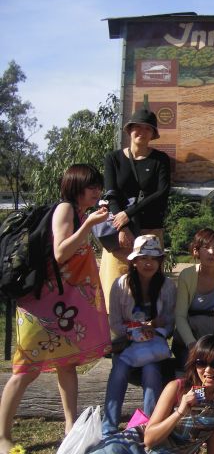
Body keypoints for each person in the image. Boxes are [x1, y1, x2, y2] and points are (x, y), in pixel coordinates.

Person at [0, 164, 111, 453]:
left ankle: (70, 429)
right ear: (76, 187)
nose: (97, 191)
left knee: (67, 363)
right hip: (41, 306)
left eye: (98, 186)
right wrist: (88, 226)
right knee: (26, 369)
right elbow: (61, 252)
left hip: (61, 306)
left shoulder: (80, 214)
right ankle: (2, 436)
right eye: (91, 186)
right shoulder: (65, 209)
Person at [89, 334, 214, 454]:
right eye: (201, 363)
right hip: (137, 446)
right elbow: (149, 439)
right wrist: (180, 411)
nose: (208, 370)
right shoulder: (177, 388)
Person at [102, 234, 176, 435]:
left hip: (153, 345)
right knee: (118, 371)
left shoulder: (168, 286)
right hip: (127, 344)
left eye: (153, 258)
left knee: (151, 372)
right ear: (134, 261)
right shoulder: (120, 285)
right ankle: (109, 426)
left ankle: (149, 425)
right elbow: (115, 322)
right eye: (143, 258)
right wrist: (133, 332)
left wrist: (156, 328)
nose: (148, 263)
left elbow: (170, 323)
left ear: (160, 261)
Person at [100, 108, 171, 311]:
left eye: (147, 128)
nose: (142, 132)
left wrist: (127, 214)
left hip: (150, 230)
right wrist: (122, 226)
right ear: (129, 130)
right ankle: (114, 328)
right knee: (115, 286)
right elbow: (110, 193)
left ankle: (149, 326)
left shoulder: (160, 160)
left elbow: (161, 193)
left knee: (149, 287)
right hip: (119, 233)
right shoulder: (113, 158)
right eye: (137, 127)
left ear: (153, 133)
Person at [173, 229, 214, 367]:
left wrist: (213, 344)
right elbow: (180, 316)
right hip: (190, 335)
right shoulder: (186, 275)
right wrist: (192, 344)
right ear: (196, 251)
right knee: (188, 371)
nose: (211, 252)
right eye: (206, 247)